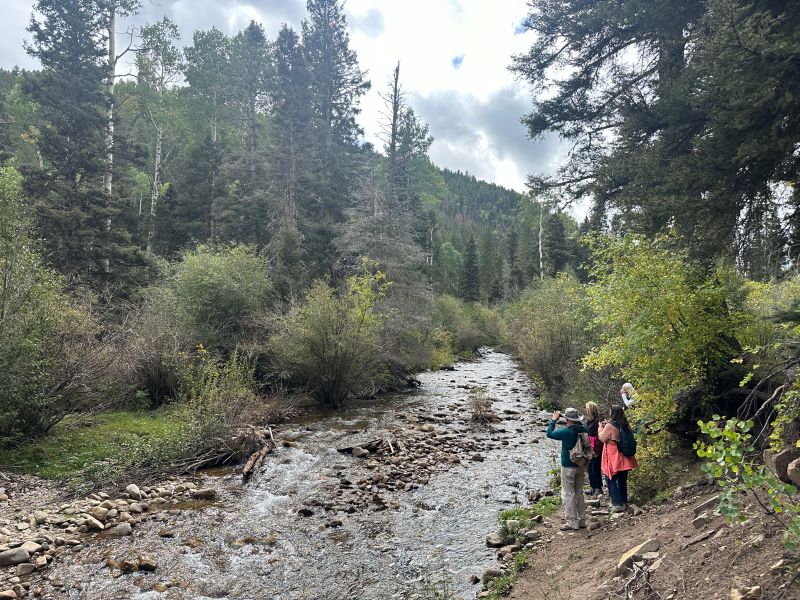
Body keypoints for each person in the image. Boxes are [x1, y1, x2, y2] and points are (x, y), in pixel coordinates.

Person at [546, 407, 589, 530]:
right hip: (581, 464)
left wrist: (553, 420)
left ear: (567, 419)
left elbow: (549, 434)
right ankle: (582, 521)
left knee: (568, 494)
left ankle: (572, 522)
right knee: (579, 493)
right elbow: (584, 427)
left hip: (568, 465)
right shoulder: (584, 429)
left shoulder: (566, 431)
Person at [598, 404, 638, 512]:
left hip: (613, 455)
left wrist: (600, 427)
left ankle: (617, 504)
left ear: (613, 413)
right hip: (625, 456)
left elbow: (602, 438)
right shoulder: (624, 424)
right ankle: (624, 500)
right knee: (622, 479)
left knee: (610, 478)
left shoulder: (610, 426)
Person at [584, 401, 604, 496]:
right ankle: (593, 487)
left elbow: (598, 435)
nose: (586, 410)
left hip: (596, 448)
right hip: (589, 446)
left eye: (587, 408)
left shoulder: (597, 420)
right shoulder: (589, 420)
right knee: (590, 468)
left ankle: (598, 488)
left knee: (595, 468)